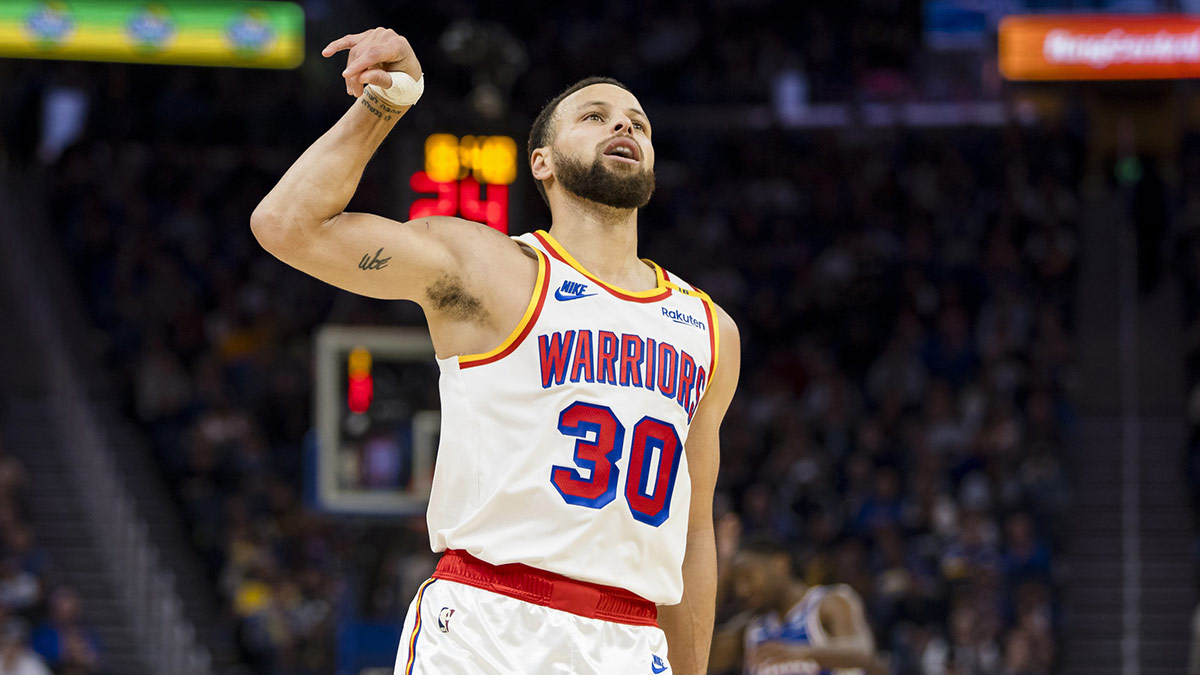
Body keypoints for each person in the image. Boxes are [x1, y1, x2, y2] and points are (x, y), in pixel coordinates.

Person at [251, 27, 740, 674]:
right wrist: (387, 101)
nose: (623, 127)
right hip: (488, 621)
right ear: (540, 161)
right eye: (594, 117)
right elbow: (288, 225)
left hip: (630, 639)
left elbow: (694, 529)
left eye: (638, 124)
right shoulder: (489, 266)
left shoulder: (708, 327)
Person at [709, 539, 886, 675]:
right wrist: (722, 568)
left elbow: (862, 652)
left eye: (748, 577)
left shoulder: (827, 603)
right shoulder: (751, 630)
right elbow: (697, 655)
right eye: (734, 584)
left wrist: (804, 653)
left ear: (780, 563)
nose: (742, 591)